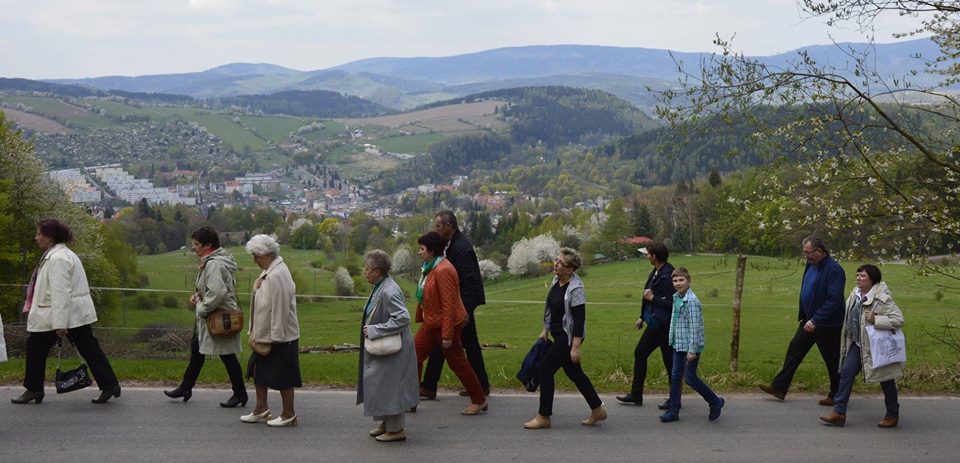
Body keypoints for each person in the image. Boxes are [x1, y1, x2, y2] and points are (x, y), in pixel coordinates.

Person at [12, 218, 121, 405]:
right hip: (72, 314)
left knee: (36, 347)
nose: (36, 237)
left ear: (50, 237)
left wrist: (60, 324)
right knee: (89, 348)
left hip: (60, 315)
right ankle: (109, 384)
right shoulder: (62, 255)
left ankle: (34, 389)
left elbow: (60, 292)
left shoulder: (58, 259)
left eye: (39, 234)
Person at [164, 226, 247, 407]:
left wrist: (202, 308)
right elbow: (211, 289)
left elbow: (217, 292)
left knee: (227, 355)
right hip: (211, 315)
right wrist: (198, 296)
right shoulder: (213, 261)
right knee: (197, 350)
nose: (193, 247)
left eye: (196, 244)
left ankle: (240, 393)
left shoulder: (214, 264)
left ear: (208, 245)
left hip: (216, 317)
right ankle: (186, 387)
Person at [524, 248, 606, 429]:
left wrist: (575, 347)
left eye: (560, 263)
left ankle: (544, 416)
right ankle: (597, 409)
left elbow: (579, 320)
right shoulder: (556, 281)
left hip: (568, 338)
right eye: (556, 260)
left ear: (570, 269)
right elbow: (551, 309)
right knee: (575, 373)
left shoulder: (576, 289)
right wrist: (545, 329)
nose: (556, 264)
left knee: (545, 369)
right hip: (557, 334)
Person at [759, 236, 845, 405]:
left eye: (808, 253)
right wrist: (807, 316)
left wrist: (816, 320)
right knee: (795, 349)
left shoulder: (834, 270)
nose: (806, 256)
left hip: (827, 324)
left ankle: (837, 395)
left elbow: (833, 301)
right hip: (808, 320)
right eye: (804, 253)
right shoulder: (811, 264)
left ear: (819, 251)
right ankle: (779, 388)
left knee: (832, 360)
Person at [413, 231, 487, 415]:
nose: (419, 252)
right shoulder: (430, 267)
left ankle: (479, 399)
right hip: (431, 323)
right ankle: (410, 398)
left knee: (458, 363)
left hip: (445, 325)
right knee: (413, 356)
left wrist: (447, 335)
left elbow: (449, 304)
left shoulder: (443, 270)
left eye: (422, 249)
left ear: (431, 251)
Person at [820, 264, 904, 428]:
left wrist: (876, 319)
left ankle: (892, 414)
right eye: (857, 275)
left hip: (877, 347)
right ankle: (839, 413)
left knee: (886, 379)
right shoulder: (855, 294)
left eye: (863, 276)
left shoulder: (882, 298)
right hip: (858, 344)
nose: (858, 278)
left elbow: (898, 320)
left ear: (872, 279)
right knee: (846, 373)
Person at [358, 250, 419, 442]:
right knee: (381, 384)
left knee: (392, 387)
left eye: (367, 269)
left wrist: (376, 330)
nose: (364, 272)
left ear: (377, 272)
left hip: (393, 347)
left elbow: (402, 318)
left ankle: (396, 429)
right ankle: (386, 423)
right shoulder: (381, 286)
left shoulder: (389, 290)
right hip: (386, 345)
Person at [240, 234, 301, 426]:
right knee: (258, 371)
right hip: (265, 334)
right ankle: (261, 408)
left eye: (256, 256)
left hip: (280, 337)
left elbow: (281, 308)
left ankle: (288, 414)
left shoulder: (277, 274)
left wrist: (276, 337)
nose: (254, 260)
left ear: (267, 255)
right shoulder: (268, 271)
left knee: (284, 376)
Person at [658, 267, 724, 423]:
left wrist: (692, 350)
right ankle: (673, 411)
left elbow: (695, 327)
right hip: (678, 344)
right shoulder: (676, 298)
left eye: (681, 280)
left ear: (688, 281)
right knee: (675, 376)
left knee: (690, 378)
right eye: (675, 280)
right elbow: (675, 321)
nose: (678, 283)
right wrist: (672, 340)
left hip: (690, 347)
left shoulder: (692, 301)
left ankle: (715, 401)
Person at [617, 241, 675, 409]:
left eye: (648, 254)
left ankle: (673, 398)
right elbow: (647, 296)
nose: (647, 256)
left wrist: (653, 298)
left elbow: (672, 303)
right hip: (656, 324)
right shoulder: (657, 271)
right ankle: (636, 394)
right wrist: (642, 317)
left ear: (654, 256)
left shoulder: (666, 276)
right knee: (642, 353)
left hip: (665, 327)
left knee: (668, 361)